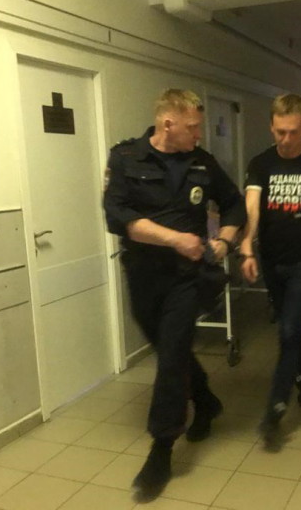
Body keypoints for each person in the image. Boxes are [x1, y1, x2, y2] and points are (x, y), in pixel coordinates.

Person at [103, 89, 245, 496]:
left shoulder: (202, 162)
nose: (199, 135)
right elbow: (117, 216)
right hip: (144, 274)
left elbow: (234, 204)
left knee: (171, 356)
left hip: (187, 277)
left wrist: (225, 241)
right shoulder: (126, 158)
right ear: (168, 124)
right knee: (169, 347)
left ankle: (162, 448)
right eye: (193, 127)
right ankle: (206, 400)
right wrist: (174, 239)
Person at [240, 94, 301, 446]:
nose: (286, 139)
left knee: (290, 329)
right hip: (273, 258)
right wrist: (247, 244)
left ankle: (275, 409)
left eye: (293, 132)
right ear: (271, 126)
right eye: (280, 131)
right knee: (289, 328)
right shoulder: (260, 163)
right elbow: (253, 208)